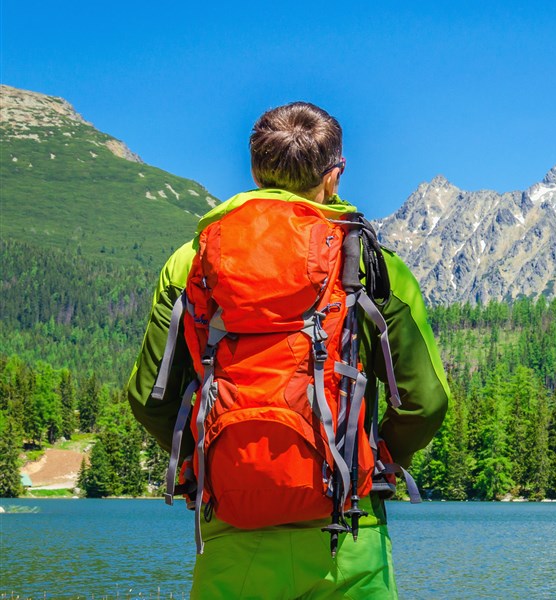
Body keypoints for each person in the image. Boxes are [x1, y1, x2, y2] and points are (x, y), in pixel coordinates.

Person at [125, 102, 450, 599]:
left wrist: (205, 464)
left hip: (233, 531)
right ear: (334, 176)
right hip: (348, 531)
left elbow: (150, 396)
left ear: (257, 172)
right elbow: (426, 403)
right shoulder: (374, 266)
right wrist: (374, 458)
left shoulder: (191, 262)